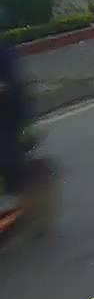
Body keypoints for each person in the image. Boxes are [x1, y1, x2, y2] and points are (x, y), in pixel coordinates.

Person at [0, 29, 32, 213]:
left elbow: (15, 84)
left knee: (6, 156)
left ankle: (15, 195)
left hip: (9, 113)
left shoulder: (4, 54)